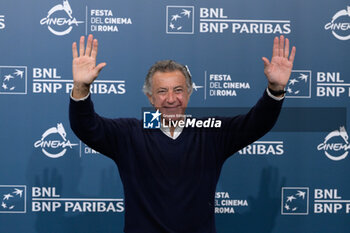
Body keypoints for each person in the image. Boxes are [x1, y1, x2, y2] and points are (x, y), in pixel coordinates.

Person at [69, 34, 295, 233]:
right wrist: (80, 87)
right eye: (162, 91)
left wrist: (275, 90)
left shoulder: (210, 133)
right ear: (150, 98)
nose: (170, 99)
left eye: (178, 90)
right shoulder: (129, 134)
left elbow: (256, 123)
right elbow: (86, 127)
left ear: (188, 94)